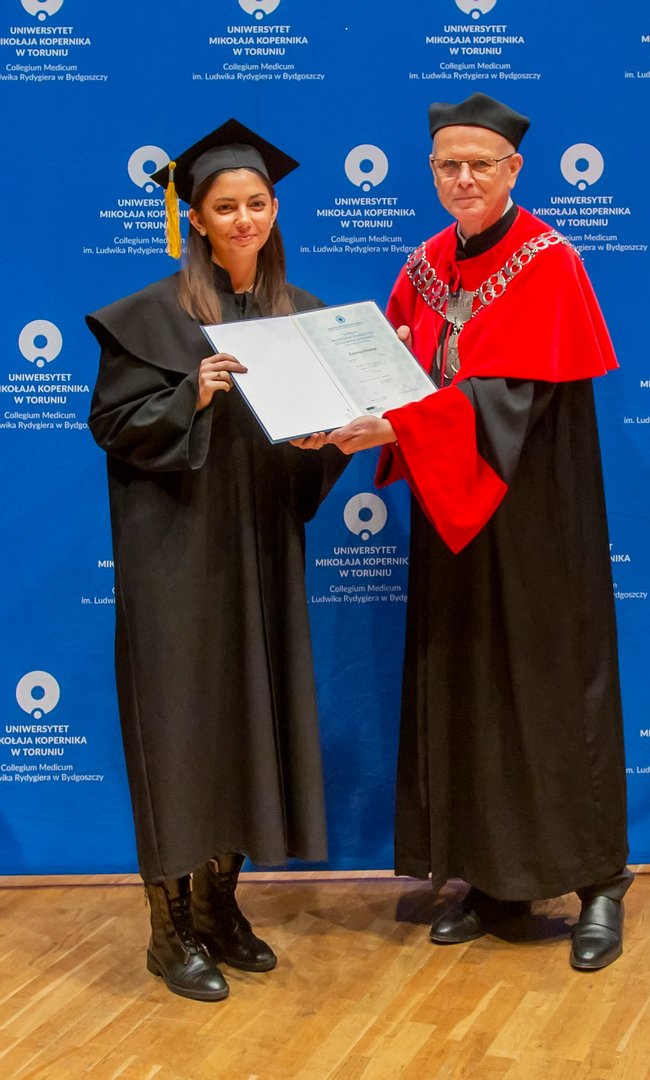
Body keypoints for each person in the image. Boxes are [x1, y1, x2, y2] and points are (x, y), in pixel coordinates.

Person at [320, 93, 633, 970]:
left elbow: (511, 399)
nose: (463, 178)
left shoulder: (549, 263)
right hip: (452, 516)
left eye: (480, 164)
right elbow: (394, 370)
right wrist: (348, 408)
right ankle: (496, 879)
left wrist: (399, 425)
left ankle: (600, 879)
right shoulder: (424, 266)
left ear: (513, 169)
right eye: (448, 165)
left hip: (535, 522)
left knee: (548, 690)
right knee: (470, 691)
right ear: (432, 171)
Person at [86, 119, 346, 1001]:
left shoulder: (301, 314)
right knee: (180, 724)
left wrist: (328, 438)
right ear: (193, 218)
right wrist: (189, 396)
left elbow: (316, 444)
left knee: (251, 719)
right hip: (176, 555)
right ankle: (169, 932)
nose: (245, 220)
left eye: (258, 204)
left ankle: (219, 904)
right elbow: (112, 425)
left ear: (275, 210)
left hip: (263, 548)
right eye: (226, 207)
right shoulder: (148, 317)